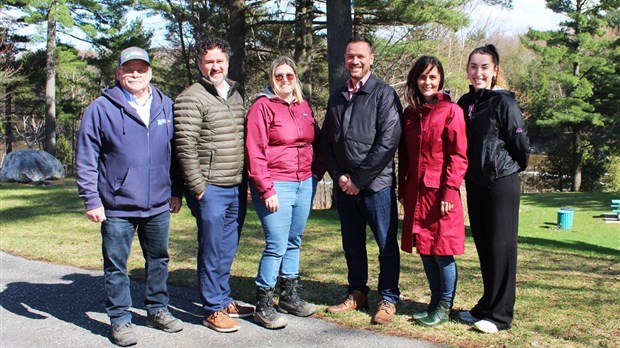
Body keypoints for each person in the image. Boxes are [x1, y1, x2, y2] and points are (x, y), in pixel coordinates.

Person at [76, 46, 184, 346]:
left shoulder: (166, 105)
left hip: (159, 203)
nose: (135, 74)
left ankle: (157, 309)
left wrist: (177, 191)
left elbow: (176, 154)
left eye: (142, 69)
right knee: (116, 264)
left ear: (150, 72)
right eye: (129, 69)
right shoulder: (100, 108)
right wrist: (91, 199)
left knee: (159, 259)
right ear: (118, 72)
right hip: (117, 205)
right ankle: (120, 319)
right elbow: (86, 158)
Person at [173, 37, 254, 333]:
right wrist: (198, 188)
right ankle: (211, 308)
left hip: (235, 185)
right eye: (209, 62)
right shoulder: (190, 98)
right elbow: (185, 147)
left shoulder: (234, 94)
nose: (215, 66)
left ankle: (223, 298)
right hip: (210, 188)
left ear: (227, 62)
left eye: (220, 61)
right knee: (211, 247)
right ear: (199, 64)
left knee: (227, 247)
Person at [321, 36, 403, 325]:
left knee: (385, 245)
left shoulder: (384, 94)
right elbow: (325, 143)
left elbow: (388, 142)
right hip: (346, 187)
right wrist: (340, 176)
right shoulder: (337, 97)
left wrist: (359, 179)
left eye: (360, 56)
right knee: (352, 244)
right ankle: (357, 292)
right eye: (349, 56)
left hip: (376, 186)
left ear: (371, 59)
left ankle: (389, 298)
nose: (354, 61)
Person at [456, 44, 530, 333]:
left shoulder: (505, 103)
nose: (479, 72)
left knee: (502, 248)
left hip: (502, 182)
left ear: (495, 70)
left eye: (485, 67)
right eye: (474, 66)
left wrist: (506, 168)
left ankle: (500, 316)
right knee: (485, 246)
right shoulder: (466, 102)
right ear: (467, 70)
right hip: (475, 183)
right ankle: (487, 305)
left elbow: (521, 146)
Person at [245, 56, 323, 329]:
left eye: (290, 76)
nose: (285, 81)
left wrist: (316, 174)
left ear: (296, 79)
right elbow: (255, 152)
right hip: (277, 183)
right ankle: (263, 303)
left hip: (304, 182)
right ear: (271, 78)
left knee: (294, 240)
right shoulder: (262, 107)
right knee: (276, 244)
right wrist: (266, 189)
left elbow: (316, 142)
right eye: (279, 76)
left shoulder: (303, 106)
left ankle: (290, 295)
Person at [398, 56, 468, 326]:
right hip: (417, 193)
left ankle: (444, 306)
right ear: (415, 80)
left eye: (432, 77)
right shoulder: (410, 114)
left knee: (442, 250)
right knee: (426, 248)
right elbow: (404, 155)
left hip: (441, 193)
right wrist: (403, 188)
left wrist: (451, 191)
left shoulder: (451, 111)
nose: (427, 82)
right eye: (422, 76)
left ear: (440, 80)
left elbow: (459, 155)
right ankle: (433, 302)